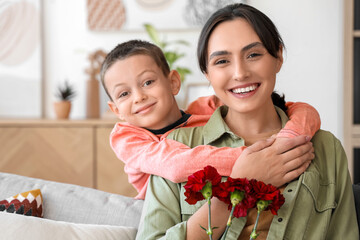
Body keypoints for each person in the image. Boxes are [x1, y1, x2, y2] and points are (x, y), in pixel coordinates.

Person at [136, 3, 359, 240]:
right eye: (222, 61)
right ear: (207, 73)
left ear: (278, 57)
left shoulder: (326, 148)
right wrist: (237, 188)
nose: (240, 73)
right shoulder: (175, 148)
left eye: (253, 55)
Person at [100, 40, 319, 200]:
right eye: (124, 94)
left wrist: (289, 138)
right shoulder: (127, 137)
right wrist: (252, 160)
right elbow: (176, 165)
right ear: (116, 109)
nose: (139, 97)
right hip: (156, 214)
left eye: (147, 82)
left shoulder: (207, 108)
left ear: (174, 82)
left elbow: (300, 109)